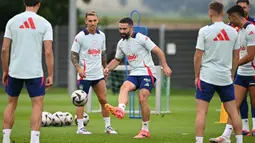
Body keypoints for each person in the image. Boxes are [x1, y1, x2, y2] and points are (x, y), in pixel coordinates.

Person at [103, 17, 172, 138]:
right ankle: (121, 109)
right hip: (135, 73)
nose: (122, 31)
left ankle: (145, 130)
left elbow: (158, 51)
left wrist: (165, 66)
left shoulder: (141, 38)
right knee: (124, 87)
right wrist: (107, 69)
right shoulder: (121, 44)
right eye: (120, 29)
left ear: (131, 28)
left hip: (147, 72)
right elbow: (117, 60)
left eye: (125, 29)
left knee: (142, 98)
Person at [1, 0, 54, 143]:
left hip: (15, 71)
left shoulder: (12, 21)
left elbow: (5, 49)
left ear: (24, 2)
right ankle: (34, 140)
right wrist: (50, 74)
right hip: (35, 72)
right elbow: (48, 51)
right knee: (37, 104)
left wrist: (5, 70)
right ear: (39, 4)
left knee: (11, 104)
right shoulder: (44, 23)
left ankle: (5, 139)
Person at [194, 2, 242, 143]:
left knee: (202, 112)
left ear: (210, 13)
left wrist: (197, 75)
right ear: (222, 13)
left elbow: (198, 55)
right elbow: (236, 56)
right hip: (225, 77)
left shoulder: (204, 30)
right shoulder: (233, 31)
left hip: (207, 76)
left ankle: (199, 141)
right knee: (233, 112)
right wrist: (232, 73)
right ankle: (239, 141)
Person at [209, 4, 255, 143]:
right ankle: (226, 136)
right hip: (242, 74)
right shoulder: (238, 31)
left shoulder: (251, 30)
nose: (229, 21)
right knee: (233, 104)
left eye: (230, 18)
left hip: (253, 73)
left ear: (235, 16)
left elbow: (250, 56)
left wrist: (232, 66)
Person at [70, 10, 117, 135]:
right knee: (81, 101)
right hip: (84, 75)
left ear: (98, 21)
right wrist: (79, 68)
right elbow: (73, 55)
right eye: (90, 21)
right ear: (86, 21)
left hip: (98, 74)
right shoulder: (80, 36)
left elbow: (103, 53)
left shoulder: (102, 35)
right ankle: (80, 128)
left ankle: (108, 127)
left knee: (103, 100)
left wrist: (105, 68)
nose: (92, 23)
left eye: (94, 20)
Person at [232, 0, 255, 136]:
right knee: (238, 100)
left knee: (253, 98)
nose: (242, 10)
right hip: (239, 68)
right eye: (239, 7)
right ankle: (244, 126)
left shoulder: (252, 26)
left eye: (244, 7)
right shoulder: (232, 26)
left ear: (249, 8)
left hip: (250, 67)